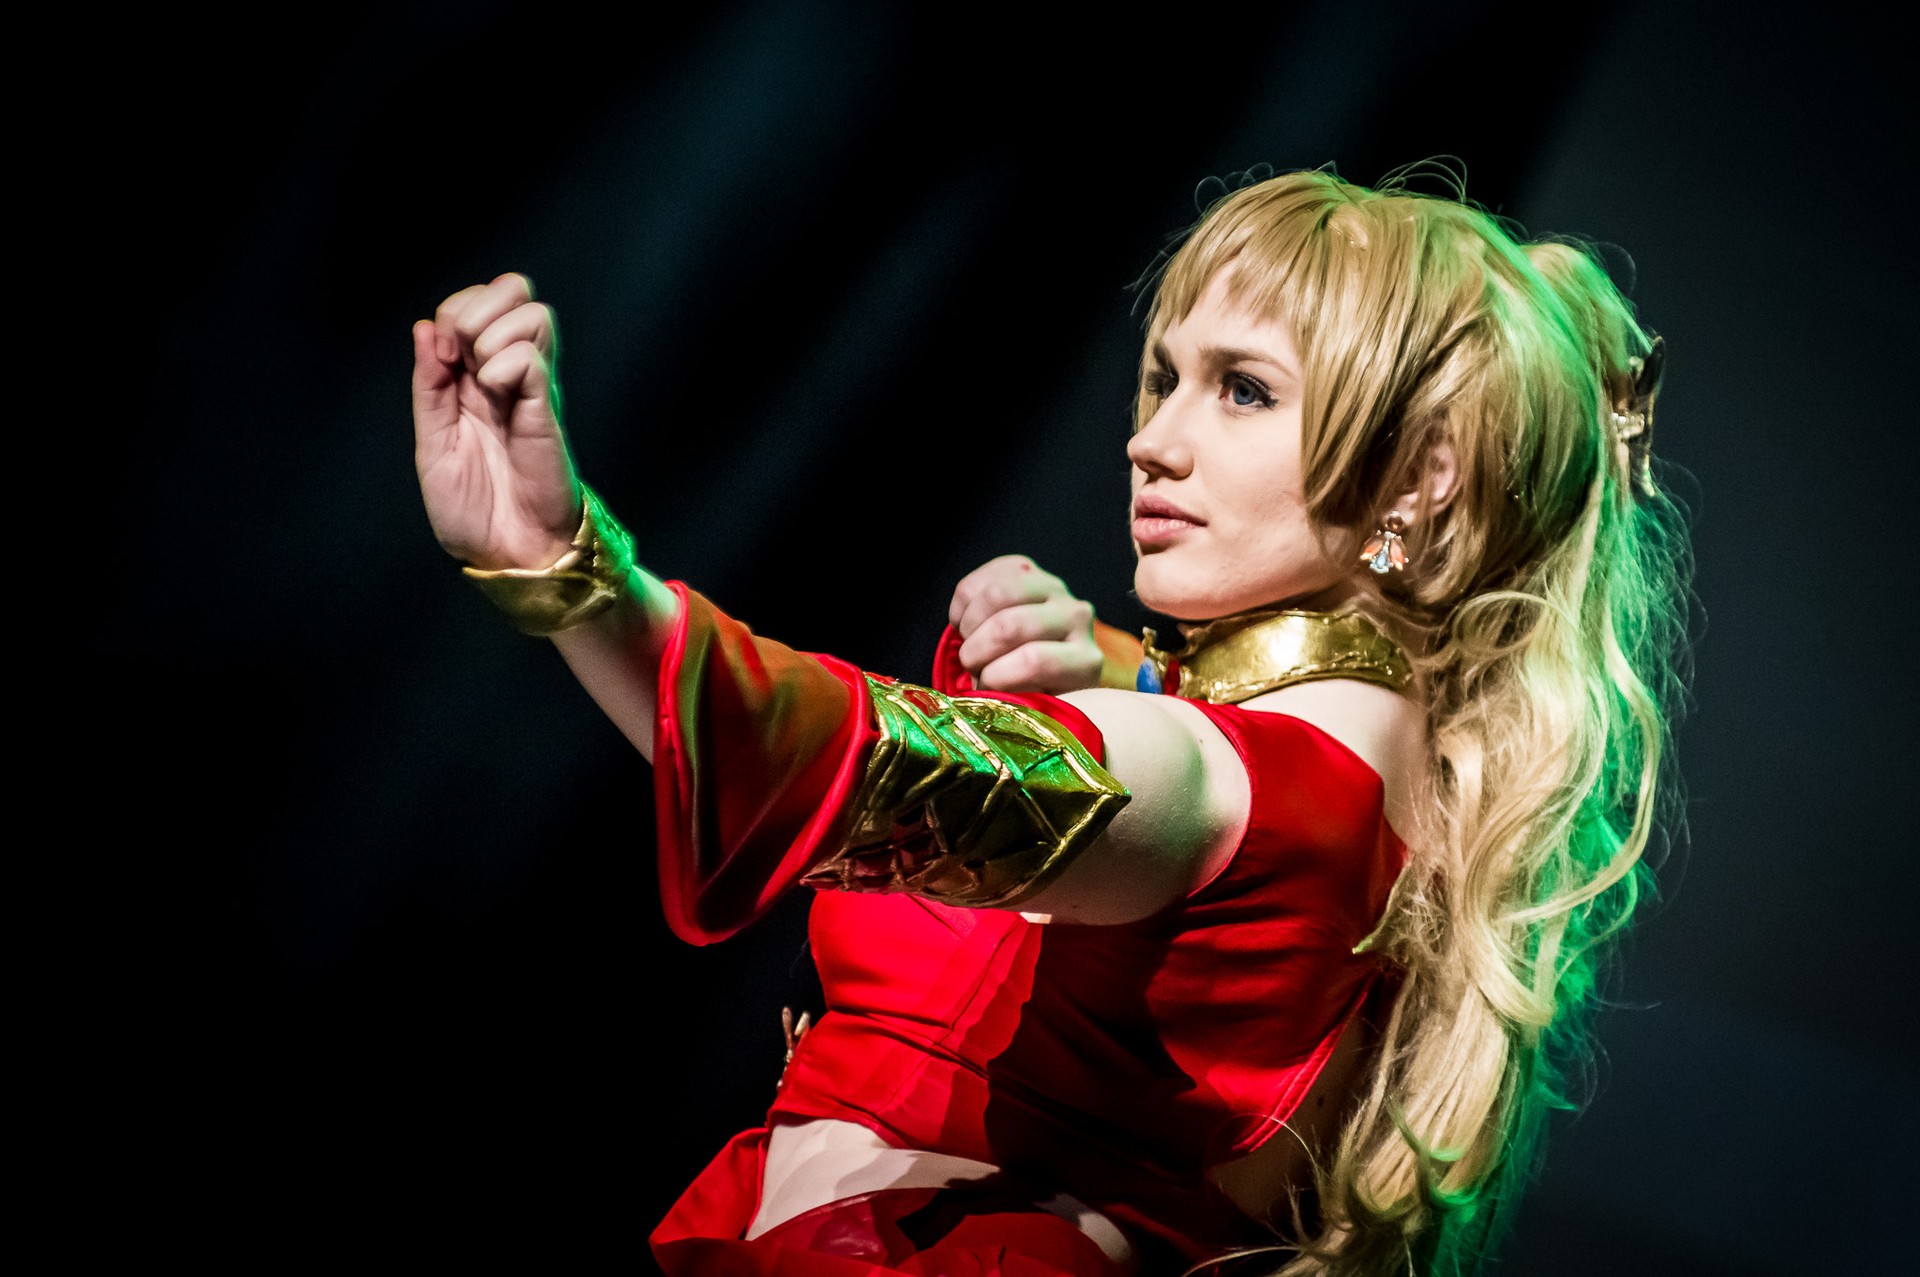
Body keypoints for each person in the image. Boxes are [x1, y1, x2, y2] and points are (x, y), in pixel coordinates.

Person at [410, 169, 1688, 1275]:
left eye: (1244, 390)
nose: (1153, 440)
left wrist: (575, 570)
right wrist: (1116, 670)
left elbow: (860, 759)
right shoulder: (1350, 771)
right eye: (1164, 376)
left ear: (1421, 475)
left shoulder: (1230, 780)